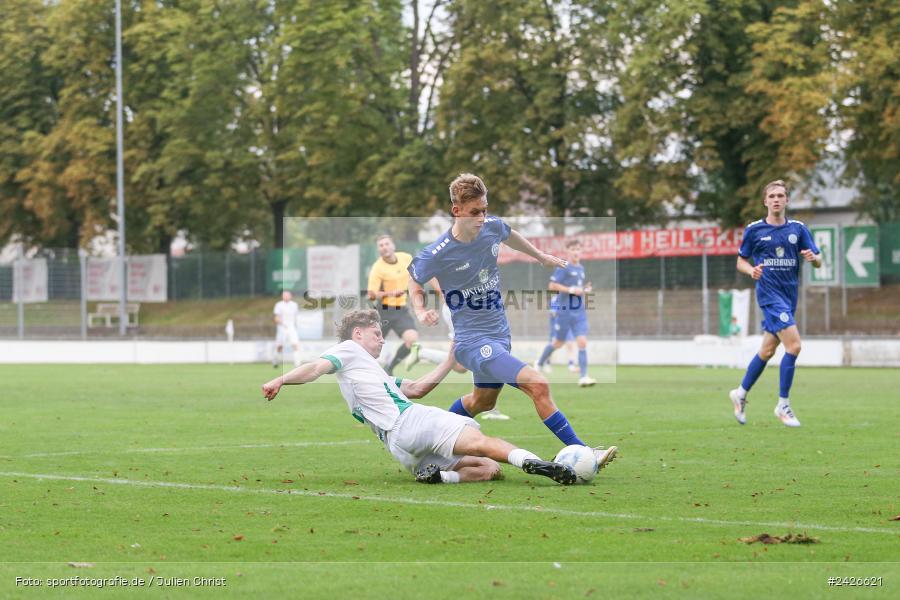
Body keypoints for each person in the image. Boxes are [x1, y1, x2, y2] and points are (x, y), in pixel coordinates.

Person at [407, 173, 617, 468]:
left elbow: (509, 233)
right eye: (474, 212)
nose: (482, 218)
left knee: (482, 403)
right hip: (472, 341)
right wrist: (419, 310)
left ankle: (433, 443)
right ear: (456, 211)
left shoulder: (491, 227)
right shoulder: (438, 251)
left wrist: (540, 256)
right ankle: (584, 451)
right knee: (538, 384)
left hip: (500, 335)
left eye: (485, 209)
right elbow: (414, 280)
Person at [260, 309, 578, 485]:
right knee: (483, 443)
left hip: (401, 449)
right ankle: (537, 463)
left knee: (489, 470)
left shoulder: (369, 373)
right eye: (377, 334)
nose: (382, 340)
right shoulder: (347, 350)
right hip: (410, 422)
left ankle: (442, 477)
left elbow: (416, 388)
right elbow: (315, 367)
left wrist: (447, 360)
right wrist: (282, 379)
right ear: (357, 334)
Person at [729, 180, 822, 427]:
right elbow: (740, 261)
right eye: (772, 196)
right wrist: (752, 271)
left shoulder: (799, 229)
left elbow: (819, 260)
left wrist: (814, 259)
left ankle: (740, 393)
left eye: (781, 195)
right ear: (765, 201)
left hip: (789, 296)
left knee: (767, 351)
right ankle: (783, 404)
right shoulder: (755, 230)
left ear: (787, 200)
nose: (777, 199)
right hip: (769, 296)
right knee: (794, 346)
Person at [534, 239, 598, 386]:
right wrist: (570, 290)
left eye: (578, 249)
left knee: (582, 342)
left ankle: (583, 377)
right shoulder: (563, 266)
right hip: (565, 311)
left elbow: (577, 288)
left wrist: (584, 290)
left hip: (579, 311)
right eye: (573, 249)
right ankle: (540, 362)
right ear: (568, 252)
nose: (576, 252)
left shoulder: (581, 268)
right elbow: (552, 285)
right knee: (557, 343)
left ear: (581, 251)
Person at [272, 290, 301, 368]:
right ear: (282, 296)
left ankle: (297, 364)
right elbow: (276, 318)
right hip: (282, 328)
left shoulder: (294, 305)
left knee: (295, 344)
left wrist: (295, 326)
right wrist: (282, 324)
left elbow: (296, 317)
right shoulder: (279, 305)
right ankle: (275, 361)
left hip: (292, 328)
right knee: (279, 346)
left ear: (291, 296)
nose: (286, 297)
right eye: (284, 295)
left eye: (288, 295)